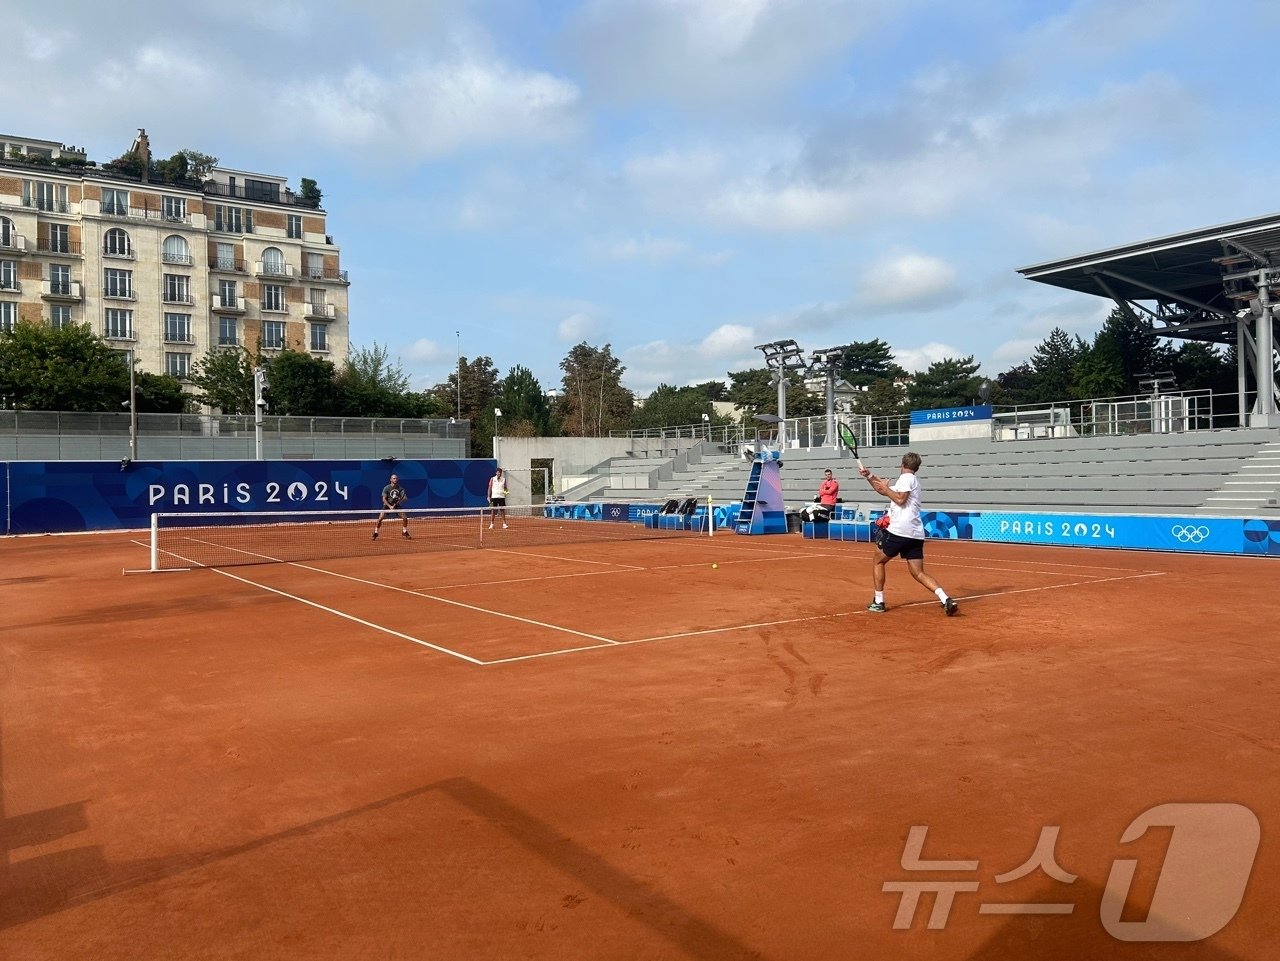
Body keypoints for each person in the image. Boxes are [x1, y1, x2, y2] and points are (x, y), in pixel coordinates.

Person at [858, 452, 957, 615]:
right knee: (918, 572)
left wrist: (886, 488)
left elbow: (899, 499)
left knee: (878, 561)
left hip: (900, 531)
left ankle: (879, 601)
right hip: (915, 533)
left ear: (902, 465)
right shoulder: (911, 480)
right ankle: (945, 598)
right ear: (916, 468)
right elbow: (884, 491)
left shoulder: (906, 479)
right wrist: (869, 476)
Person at [372, 473, 410, 540]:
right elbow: (383, 499)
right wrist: (390, 506)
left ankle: (404, 531)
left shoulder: (400, 489)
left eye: (396, 478)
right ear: (391, 479)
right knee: (380, 518)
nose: (395, 480)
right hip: (387, 505)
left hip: (396, 505)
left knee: (405, 518)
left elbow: (405, 498)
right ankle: (376, 532)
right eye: (394, 478)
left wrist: (399, 501)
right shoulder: (386, 488)